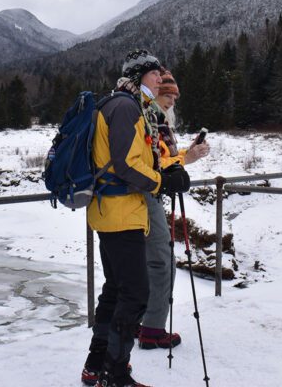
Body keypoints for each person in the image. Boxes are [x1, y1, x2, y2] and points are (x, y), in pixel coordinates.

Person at [80, 50, 191, 387]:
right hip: (121, 214)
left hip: (113, 213)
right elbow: (126, 166)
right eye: (155, 73)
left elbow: (137, 159)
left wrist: (169, 168)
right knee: (135, 294)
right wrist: (162, 180)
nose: (160, 78)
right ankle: (115, 374)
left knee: (115, 291)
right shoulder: (126, 107)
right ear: (140, 76)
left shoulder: (122, 105)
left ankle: (95, 366)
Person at [138, 70, 209, 350]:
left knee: (146, 263)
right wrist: (186, 158)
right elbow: (155, 164)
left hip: (146, 196)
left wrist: (185, 157)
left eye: (173, 97)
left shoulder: (156, 119)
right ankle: (152, 329)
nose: (170, 102)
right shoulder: (151, 119)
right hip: (147, 196)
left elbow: (164, 161)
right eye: (166, 95)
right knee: (161, 263)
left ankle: (139, 322)